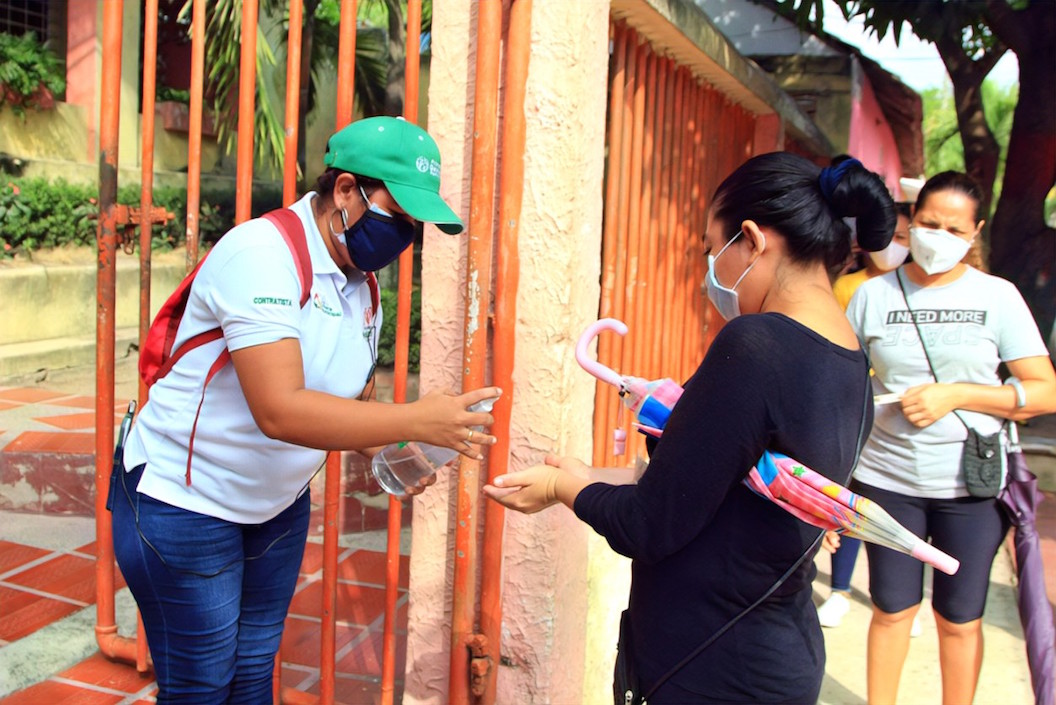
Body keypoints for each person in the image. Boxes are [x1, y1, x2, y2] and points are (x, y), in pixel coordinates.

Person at [111, 116, 501, 703]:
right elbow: (281, 411)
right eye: (399, 216)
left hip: (275, 508)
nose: (405, 237)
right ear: (345, 190)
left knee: (250, 675)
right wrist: (414, 417)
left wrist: (397, 447)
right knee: (201, 685)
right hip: (185, 503)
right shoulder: (261, 255)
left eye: (414, 226)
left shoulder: (360, 282)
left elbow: (348, 402)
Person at [484, 152, 895, 703]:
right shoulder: (850, 357)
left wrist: (567, 485)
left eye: (712, 249)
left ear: (751, 240)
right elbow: (746, 491)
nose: (710, 271)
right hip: (777, 650)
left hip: (713, 665)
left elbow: (649, 526)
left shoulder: (756, 346)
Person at [845, 171, 1056, 705]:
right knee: (891, 611)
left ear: (975, 231)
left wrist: (956, 393)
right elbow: (841, 390)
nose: (939, 235)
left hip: (971, 487)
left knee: (959, 620)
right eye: (929, 223)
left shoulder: (998, 297)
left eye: (953, 228)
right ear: (911, 222)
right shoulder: (872, 296)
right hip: (887, 481)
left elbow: (1045, 391)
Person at [817, 198, 913, 630]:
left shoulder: (919, 295)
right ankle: (839, 590)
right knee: (850, 503)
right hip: (857, 408)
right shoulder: (849, 288)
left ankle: (903, 600)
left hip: (903, 418)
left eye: (903, 239)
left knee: (900, 514)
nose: (894, 246)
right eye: (890, 237)